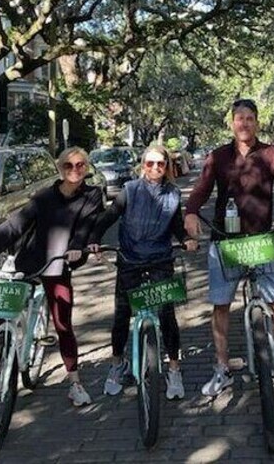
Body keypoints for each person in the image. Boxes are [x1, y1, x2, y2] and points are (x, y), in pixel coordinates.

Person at [184, 98, 274, 397]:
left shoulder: (271, 154)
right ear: (232, 123)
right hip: (226, 243)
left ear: (257, 122)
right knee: (220, 306)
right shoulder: (217, 157)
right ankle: (222, 368)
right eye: (239, 118)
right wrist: (191, 213)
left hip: (261, 242)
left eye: (249, 118)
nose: (244, 123)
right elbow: (200, 192)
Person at [0, 147, 104, 407]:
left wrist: (77, 248)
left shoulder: (92, 195)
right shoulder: (44, 197)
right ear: (60, 168)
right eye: (68, 166)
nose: (74, 170)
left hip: (59, 263)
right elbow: (14, 226)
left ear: (87, 167)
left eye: (80, 165)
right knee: (0, 310)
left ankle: (74, 382)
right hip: (30, 261)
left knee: (63, 324)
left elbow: (86, 225)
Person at [88, 145, 198, 400]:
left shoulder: (173, 193)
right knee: (121, 315)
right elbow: (109, 216)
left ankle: (173, 368)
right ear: (142, 165)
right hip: (130, 260)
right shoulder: (129, 191)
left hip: (161, 259)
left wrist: (186, 240)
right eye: (150, 163)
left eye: (161, 164)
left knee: (167, 315)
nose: (155, 168)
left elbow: (176, 227)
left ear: (167, 167)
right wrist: (94, 238)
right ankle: (117, 365)